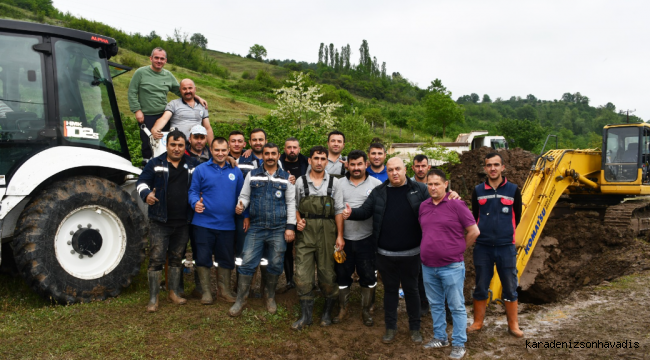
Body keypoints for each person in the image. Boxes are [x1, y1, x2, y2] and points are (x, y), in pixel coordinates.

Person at [343, 158, 460, 344]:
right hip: (385, 254)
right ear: (387, 172)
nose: (394, 173)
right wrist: (351, 213)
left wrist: (451, 195)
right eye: (390, 170)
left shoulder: (419, 189)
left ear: (406, 169)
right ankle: (390, 327)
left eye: (398, 169)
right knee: (390, 291)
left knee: (412, 290)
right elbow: (366, 211)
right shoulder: (379, 191)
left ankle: (415, 328)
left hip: (412, 253)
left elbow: (438, 199)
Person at [229, 143, 297, 316]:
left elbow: (291, 203)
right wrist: (241, 205)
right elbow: (244, 196)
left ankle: (270, 296)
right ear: (263, 156)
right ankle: (241, 299)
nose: (270, 157)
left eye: (273, 153)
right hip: (256, 227)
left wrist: (290, 227)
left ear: (278, 155)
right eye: (267, 153)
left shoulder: (286, 178)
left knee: (275, 263)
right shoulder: (252, 175)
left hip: (278, 228)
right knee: (247, 262)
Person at [419, 169, 479, 359]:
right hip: (428, 265)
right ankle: (440, 337)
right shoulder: (424, 206)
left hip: (451, 266)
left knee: (456, 306)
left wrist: (458, 249)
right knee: (435, 304)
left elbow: (474, 231)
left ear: (446, 184)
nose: (433, 187)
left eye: (437, 183)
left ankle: (459, 343)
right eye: (430, 184)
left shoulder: (457, 205)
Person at [136, 130, 199, 312]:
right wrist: (146, 194)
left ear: (185, 146)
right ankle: (154, 298)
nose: (177, 149)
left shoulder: (192, 164)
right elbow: (141, 182)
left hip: (183, 221)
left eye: (180, 145)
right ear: (167, 145)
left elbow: (210, 169)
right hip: (160, 221)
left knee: (176, 258)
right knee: (156, 259)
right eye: (173, 145)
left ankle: (173, 293)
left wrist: (231, 160)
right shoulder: (156, 164)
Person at [469, 152, 524, 337]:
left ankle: (513, 325)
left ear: (503, 167)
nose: (492, 168)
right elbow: (475, 215)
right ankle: (478, 322)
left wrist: (505, 233)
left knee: (510, 285)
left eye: (496, 165)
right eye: (489, 165)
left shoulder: (513, 190)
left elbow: (517, 216)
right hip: (482, 247)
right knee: (481, 285)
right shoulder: (478, 191)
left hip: (506, 247)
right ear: (485, 168)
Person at [292, 146, 345, 330]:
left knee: (328, 275)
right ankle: (306, 316)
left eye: (323, 158)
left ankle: (327, 313)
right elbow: (295, 206)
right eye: (316, 158)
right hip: (305, 233)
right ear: (310, 160)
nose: (319, 162)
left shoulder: (334, 183)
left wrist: (340, 235)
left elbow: (338, 210)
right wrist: (298, 221)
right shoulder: (300, 182)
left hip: (327, 232)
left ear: (326, 161)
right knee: (303, 276)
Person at [188, 137, 244, 305]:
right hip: (203, 223)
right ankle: (206, 292)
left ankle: (225, 291)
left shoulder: (236, 171)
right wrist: (194, 203)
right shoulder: (200, 170)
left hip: (227, 225)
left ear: (228, 151)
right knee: (203, 257)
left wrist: (243, 210)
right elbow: (192, 191)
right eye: (217, 150)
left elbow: (242, 196)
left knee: (226, 258)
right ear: (211, 150)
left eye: (223, 150)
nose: (220, 153)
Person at [128, 47, 206, 164]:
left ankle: (166, 164)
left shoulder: (168, 75)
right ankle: (147, 165)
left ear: (165, 61)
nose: (159, 61)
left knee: (165, 141)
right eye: (156, 58)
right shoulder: (140, 73)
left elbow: (181, 90)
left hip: (164, 115)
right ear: (151, 58)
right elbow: (132, 91)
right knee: (148, 142)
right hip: (146, 115)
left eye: (162, 59)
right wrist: (137, 110)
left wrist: (197, 97)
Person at [334, 150, 382, 326]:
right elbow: (337, 210)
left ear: (366, 164)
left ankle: (366, 310)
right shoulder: (338, 184)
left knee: (368, 276)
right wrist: (339, 236)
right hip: (343, 239)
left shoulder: (376, 184)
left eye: (359, 164)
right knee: (342, 275)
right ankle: (343, 309)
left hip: (366, 239)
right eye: (352, 164)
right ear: (347, 165)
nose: (356, 168)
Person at [277, 137, 309, 293]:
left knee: (305, 246)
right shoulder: (278, 162)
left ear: (299, 149)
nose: (292, 150)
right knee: (287, 247)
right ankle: (289, 279)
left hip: (304, 209)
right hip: (285, 208)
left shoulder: (306, 162)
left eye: (294, 147)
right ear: (284, 149)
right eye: (289, 147)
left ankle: (306, 279)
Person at [150, 79, 214, 145]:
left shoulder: (202, 106)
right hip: (178, 143)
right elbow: (164, 119)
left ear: (195, 89)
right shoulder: (173, 104)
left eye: (190, 88)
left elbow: (208, 128)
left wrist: (212, 147)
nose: (188, 91)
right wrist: (155, 129)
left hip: (196, 144)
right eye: (184, 89)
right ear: (180, 90)